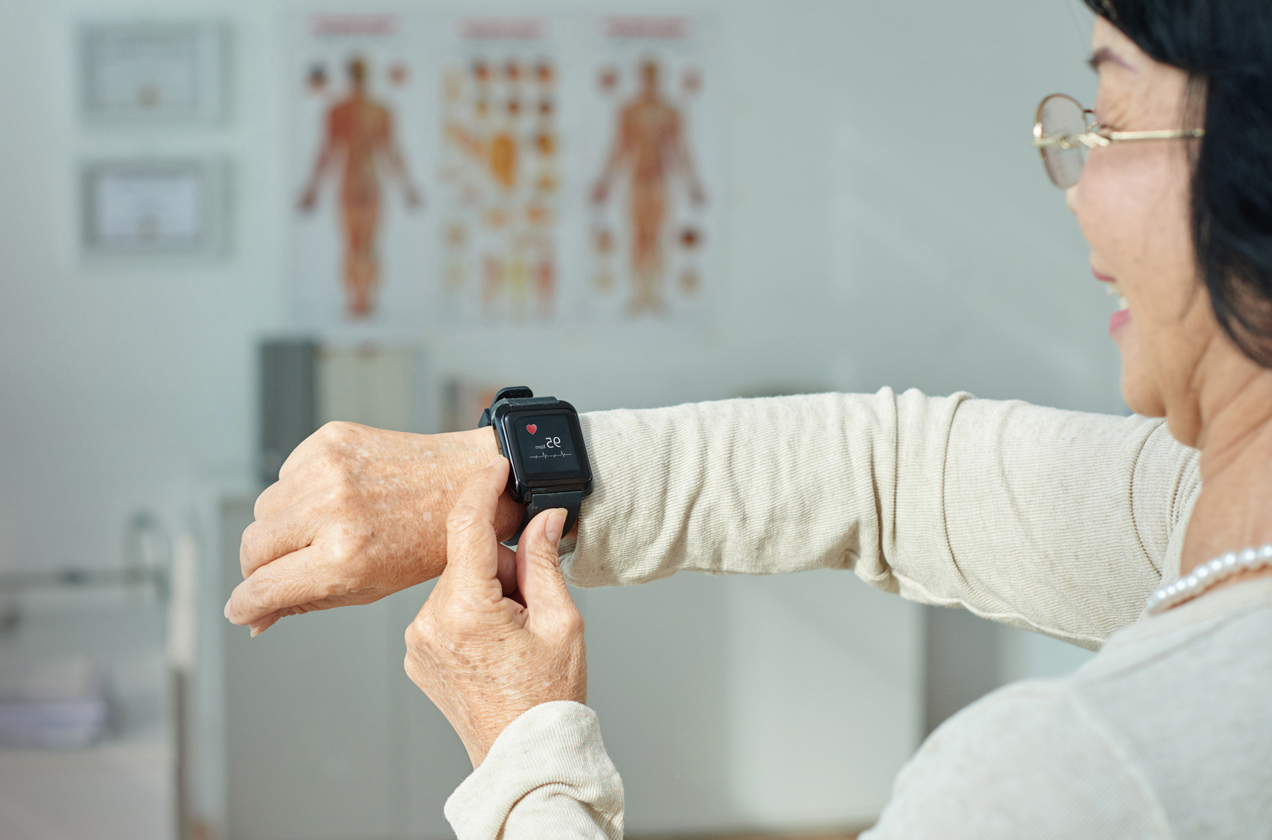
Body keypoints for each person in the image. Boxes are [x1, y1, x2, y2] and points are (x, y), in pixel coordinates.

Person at [234, 3, 1272, 837]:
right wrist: (501, 473)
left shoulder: (1071, 780)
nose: (1078, 187)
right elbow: (891, 473)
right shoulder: (1203, 514)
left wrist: (525, 757)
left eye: (1114, 120)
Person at [299, 56, 421, 320]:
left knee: (355, 246)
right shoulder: (375, 110)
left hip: (353, 183)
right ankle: (362, 300)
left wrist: (312, 189)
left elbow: (329, 154)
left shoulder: (343, 110)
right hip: (368, 183)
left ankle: (361, 300)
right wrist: (408, 188)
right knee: (365, 245)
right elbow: (389, 153)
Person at [590, 59, 706, 315]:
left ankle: (655, 294)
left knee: (658, 235)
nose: (650, 83)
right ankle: (637, 294)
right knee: (637, 235)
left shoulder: (670, 111)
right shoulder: (629, 110)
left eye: (653, 77)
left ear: (659, 79)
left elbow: (680, 150)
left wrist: (693, 185)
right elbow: (619, 148)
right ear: (640, 78)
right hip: (637, 178)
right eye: (646, 77)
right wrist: (604, 183)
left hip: (660, 179)